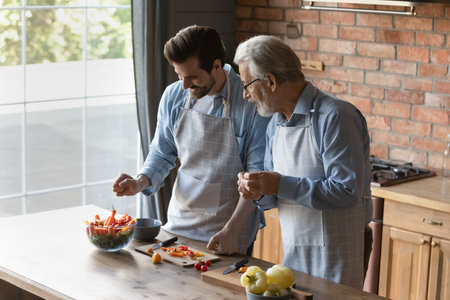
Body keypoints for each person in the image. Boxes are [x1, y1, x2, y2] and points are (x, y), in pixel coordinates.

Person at [113, 25, 269, 255]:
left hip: (229, 229)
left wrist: (231, 231)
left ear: (217, 65)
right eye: (179, 75)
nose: (185, 85)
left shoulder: (250, 102)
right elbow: (162, 152)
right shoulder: (173, 95)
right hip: (179, 223)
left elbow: (256, 179)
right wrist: (139, 182)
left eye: (192, 77)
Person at [234, 35, 372, 289]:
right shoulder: (275, 124)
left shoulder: (335, 116)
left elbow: (346, 191)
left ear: (271, 81)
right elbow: (274, 197)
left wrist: (278, 184)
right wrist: (256, 192)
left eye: (247, 85)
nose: (245, 94)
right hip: (294, 255)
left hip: (338, 257)